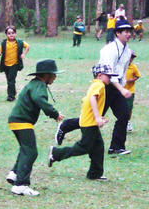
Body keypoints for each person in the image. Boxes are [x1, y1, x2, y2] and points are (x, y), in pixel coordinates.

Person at [55, 20, 134, 156]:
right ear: (117, 33)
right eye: (125, 31)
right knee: (91, 117)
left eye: (129, 31)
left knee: (124, 114)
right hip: (105, 86)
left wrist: (123, 86)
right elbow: (108, 73)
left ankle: (116, 147)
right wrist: (121, 89)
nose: (128, 34)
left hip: (117, 87)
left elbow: (123, 70)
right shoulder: (109, 50)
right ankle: (65, 125)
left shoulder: (127, 52)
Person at [48, 64, 117, 181]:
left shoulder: (95, 85)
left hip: (89, 122)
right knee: (83, 147)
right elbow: (92, 99)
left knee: (98, 147)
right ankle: (55, 154)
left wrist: (99, 116)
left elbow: (87, 100)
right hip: (89, 124)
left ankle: (95, 174)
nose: (110, 78)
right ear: (100, 76)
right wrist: (97, 117)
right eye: (108, 76)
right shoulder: (99, 85)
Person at [6, 59, 64, 196]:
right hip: (22, 121)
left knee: (26, 149)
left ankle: (15, 173)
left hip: (16, 120)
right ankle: (20, 185)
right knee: (31, 152)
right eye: (54, 74)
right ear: (46, 75)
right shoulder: (39, 85)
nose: (55, 77)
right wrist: (54, 114)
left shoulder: (35, 83)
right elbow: (39, 99)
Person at [0, 25, 30, 101]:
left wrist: (23, 54)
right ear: (6, 34)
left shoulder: (19, 42)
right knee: (9, 80)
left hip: (14, 64)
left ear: (15, 34)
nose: (11, 34)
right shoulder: (4, 43)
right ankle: (13, 91)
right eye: (9, 33)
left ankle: (11, 96)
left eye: (13, 33)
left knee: (11, 80)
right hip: (5, 65)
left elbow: (28, 46)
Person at [124, 50, 141, 132]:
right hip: (120, 91)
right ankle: (122, 121)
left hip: (130, 91)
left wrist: (132, 79)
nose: (131, 59)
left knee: (129, 108)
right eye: (129, 58)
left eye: (132, 58)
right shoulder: (120, 66)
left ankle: (128, 122)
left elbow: (137, 76)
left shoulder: (133, 67)